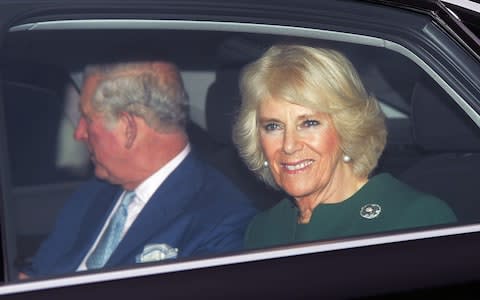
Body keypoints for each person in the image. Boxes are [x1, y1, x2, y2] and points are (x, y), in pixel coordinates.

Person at [20, 61, 256, 278]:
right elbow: (37, 275)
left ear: (128, 128)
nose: (79, 133)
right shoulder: (92, 194)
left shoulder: (221, 220)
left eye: (88, 119)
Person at [232, 45, 457, 250]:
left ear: (347, 129)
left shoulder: (414, 218)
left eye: (309, 123)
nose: (289, 145)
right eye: (273, 126)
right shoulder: (262, 230)